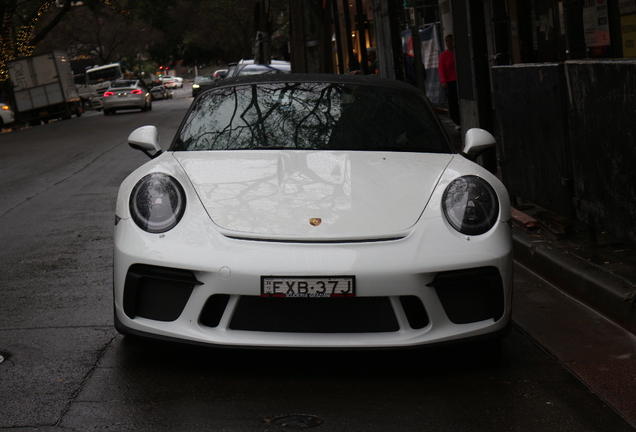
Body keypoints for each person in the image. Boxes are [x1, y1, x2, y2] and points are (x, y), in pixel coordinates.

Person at [438, 34, 460, 129]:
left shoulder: (457, 53)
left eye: (450, 40)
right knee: (453, 103)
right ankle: (456, 121)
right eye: (447, 41)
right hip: (450, 82)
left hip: (458, 81)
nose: (449, 43)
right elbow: (441, 69)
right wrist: (443, 81)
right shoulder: (443, 55)